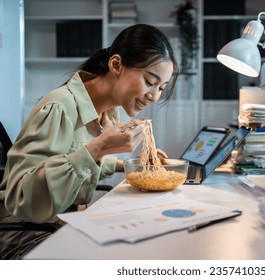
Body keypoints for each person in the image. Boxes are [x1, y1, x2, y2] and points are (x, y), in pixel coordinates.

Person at [0, 23, 178, 259]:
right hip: (26, 233)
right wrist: (98, 148)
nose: (154, 96)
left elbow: (70, 158)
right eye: (149, 81)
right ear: (116, 65)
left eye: (161, 88)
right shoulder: (58, 108)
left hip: (63, 224)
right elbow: (20, 197)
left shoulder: (109, 112)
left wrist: (128, 165)